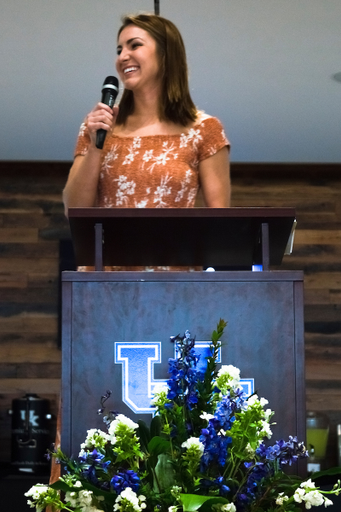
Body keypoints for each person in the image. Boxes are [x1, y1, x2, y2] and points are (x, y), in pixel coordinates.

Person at [63, 13, 230, 218]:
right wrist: (97, 147)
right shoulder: (98, 125)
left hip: (177, 250)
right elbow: (73, 209)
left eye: (134, 45)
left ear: (165, 54)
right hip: (112, 249)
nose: (122, 57)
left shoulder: (205, 130)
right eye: (119, 49)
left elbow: (221, 221)